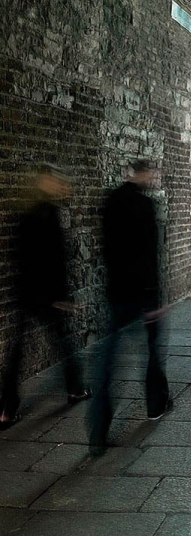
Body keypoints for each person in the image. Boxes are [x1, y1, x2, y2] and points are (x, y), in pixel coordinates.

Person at [88, 160, 171, 453]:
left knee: (107, 363)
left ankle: (98, 430)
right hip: (142, 293)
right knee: (151, 350)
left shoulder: (110, 201)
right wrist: (154, 300)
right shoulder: (144, 206)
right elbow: (150, 254)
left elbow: (107, 248)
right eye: (151, 174)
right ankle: (155, 404)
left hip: (116, 293)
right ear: (144, 175)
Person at [0, 165, 91, 430]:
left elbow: (20, 257)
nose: (63, 187)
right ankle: (74, 389)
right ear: (46, 183)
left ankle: (6, 409)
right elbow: (55, 260)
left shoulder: (25, 212)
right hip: (46, 295)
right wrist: (61, 297)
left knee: (17, 351)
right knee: (63, 343)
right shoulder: (49, 214)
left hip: (27, 292)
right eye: (58, 182)